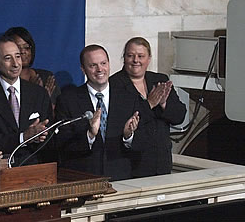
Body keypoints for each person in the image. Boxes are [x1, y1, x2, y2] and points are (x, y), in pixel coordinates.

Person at [55, 45, 143, 181]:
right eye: (93, 65)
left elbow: (144, 143)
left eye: (103, 63)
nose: (99, 69)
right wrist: (90, 135)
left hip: (120, 179)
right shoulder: (68, 100)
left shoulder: (128, 98)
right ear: (83, 69)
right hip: (83, 179)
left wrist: (128, 136)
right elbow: (62, 144)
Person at [110, 36, 187, 177]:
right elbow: (122, 120)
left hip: (161, 162)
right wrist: (149, 103)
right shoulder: (114, 85)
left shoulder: (160, 80)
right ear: (124, 58)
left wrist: (164, 104)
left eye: (141, 56)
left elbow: (179, 116)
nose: (136, 60)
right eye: (130, 56)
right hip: (131, 165)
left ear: (149, 59)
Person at [0, 35, 53, 166]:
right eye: (8, 58)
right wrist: (23, 137)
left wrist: (41, 136)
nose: (15, 64)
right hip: (0, 170)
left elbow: (51, 135)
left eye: (18, 56)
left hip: (35, 168)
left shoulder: (39, 94)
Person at [5, 26, 61, 105]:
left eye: (26, 47)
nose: (23, 51)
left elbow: (56, 115)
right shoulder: (4, 83)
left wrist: (45, 99)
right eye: (18, 48)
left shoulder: (47, 78)